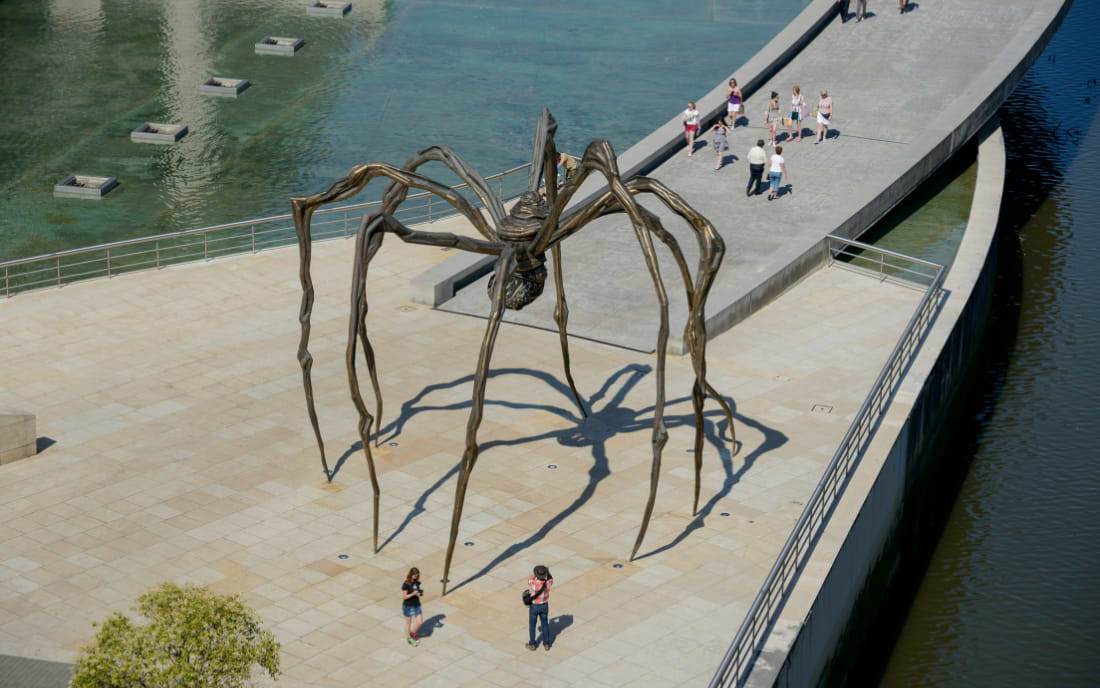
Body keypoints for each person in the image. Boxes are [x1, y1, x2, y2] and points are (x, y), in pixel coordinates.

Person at [526, 565, 553, 651]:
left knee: (532, 625)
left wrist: (535, 574)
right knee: (545, 624)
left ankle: (532, 644)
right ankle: (546, 644)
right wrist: (547, 572)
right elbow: (550, 577)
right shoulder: (548, 583)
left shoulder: (533, 583)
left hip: (534, 606)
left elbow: (530, 578)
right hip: (544, 605)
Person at [401, 567, 424, 646]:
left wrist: (419, 593)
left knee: (420, 622)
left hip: (417, 605)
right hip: (408, 606)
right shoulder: (406, 584)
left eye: (417, 575)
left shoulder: (417, 582)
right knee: (408, 623)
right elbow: (404, 597)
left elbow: (417, 590)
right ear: (411, 574)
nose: (416, 577)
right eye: (415, 575)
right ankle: (409, 638)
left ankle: (413, 633)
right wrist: (413, 594)